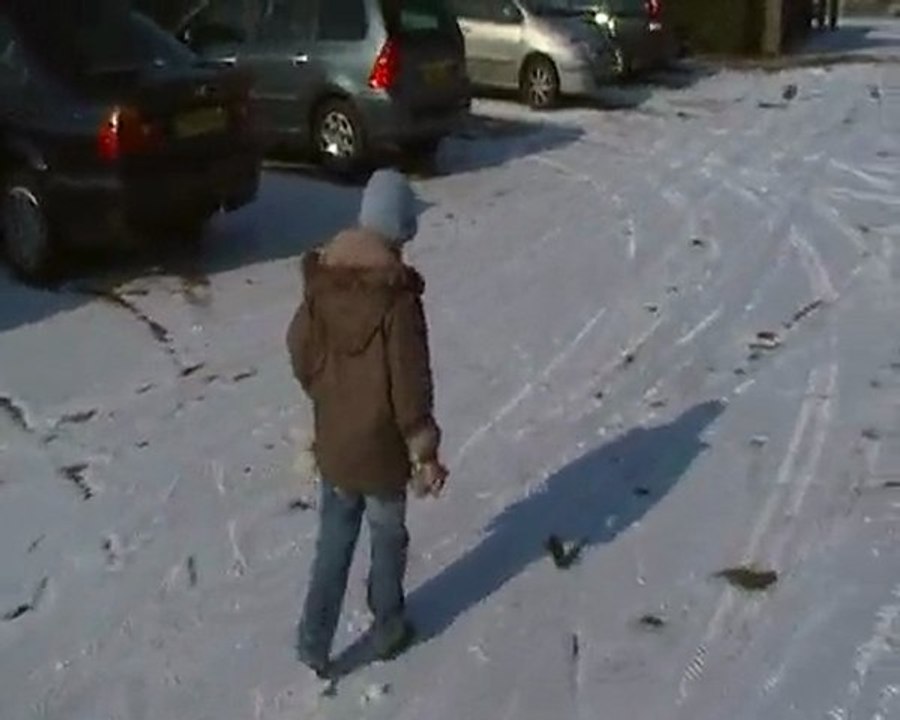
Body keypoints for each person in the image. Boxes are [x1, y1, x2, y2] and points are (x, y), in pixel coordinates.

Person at [286, 169, 448, 678]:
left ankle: (313, 642)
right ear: (400, 229)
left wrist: (327, 395)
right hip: (381, 455)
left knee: (333, 543)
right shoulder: (397, 299)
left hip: (335, 444)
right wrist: (423, 449)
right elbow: (409, 384)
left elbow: (299, 348)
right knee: (386, 540)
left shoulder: (323, 281)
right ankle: (388, 628)